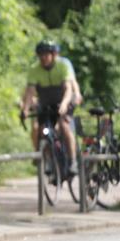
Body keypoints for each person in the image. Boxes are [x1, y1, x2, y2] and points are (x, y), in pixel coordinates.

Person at [21, 40, 77, 176]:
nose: (43, 58)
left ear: (53, 55)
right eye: (40, 55)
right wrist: (25, 109)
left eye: (46, 55)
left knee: (64, 126)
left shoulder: (62, 66)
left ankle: (72, 160)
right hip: (46, 103)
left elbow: (68, 88)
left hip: (64, 100)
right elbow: (30, 92)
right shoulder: (35, 69)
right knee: (41, 130)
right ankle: (47, 159)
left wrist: (64, 104)